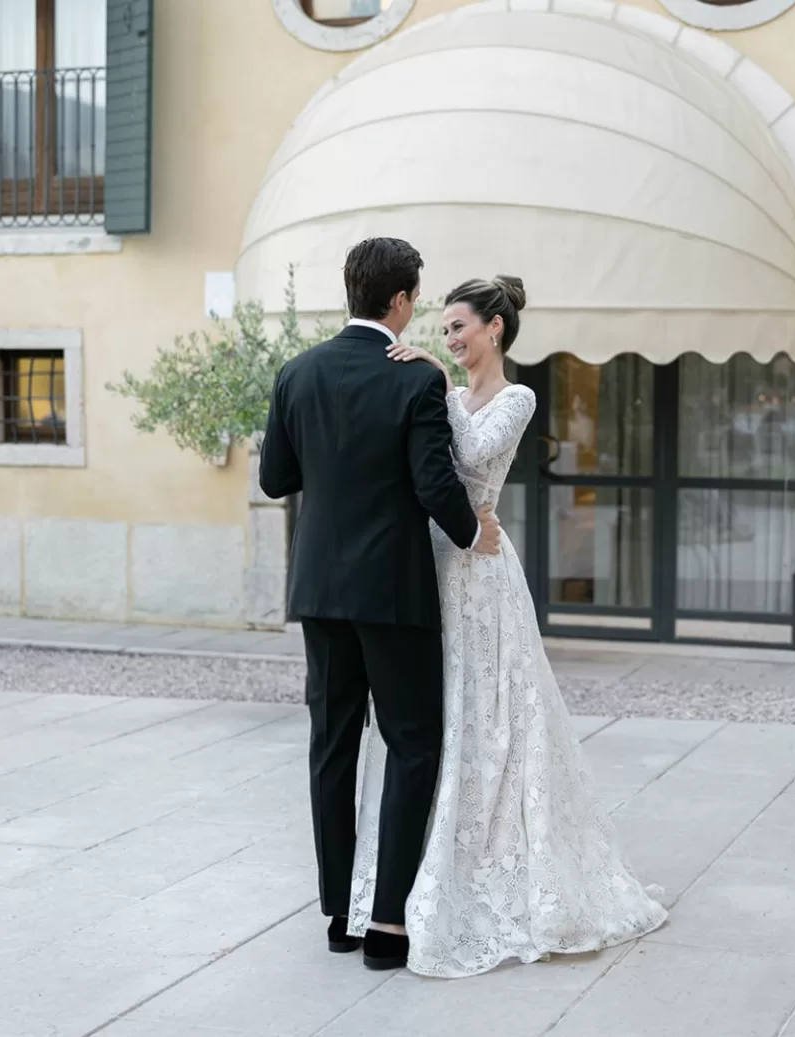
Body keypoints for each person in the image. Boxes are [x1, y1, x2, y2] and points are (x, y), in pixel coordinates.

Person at [344, 275, 668, 978]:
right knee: (435, 719)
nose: (451, 339)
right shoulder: (449, 395)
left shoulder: (514, 397)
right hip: (435, 562)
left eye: (460, 327)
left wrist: (431, 377)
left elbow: (470, 459)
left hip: (482, 571)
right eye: (445, 329)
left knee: (493, 717)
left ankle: (493, 860)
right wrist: (435, 390)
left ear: (495, 327)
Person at [257, 238, 503, 972]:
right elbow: (434, 484)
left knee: (332, 745)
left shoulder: (296, 373)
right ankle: (388, 923)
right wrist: (475, 533)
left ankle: (339, 911)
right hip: (392, 592)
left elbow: (276, 478)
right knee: (413, 741)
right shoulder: (413, 382)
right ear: (399, 301)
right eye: (417, 297)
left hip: (320, 593)